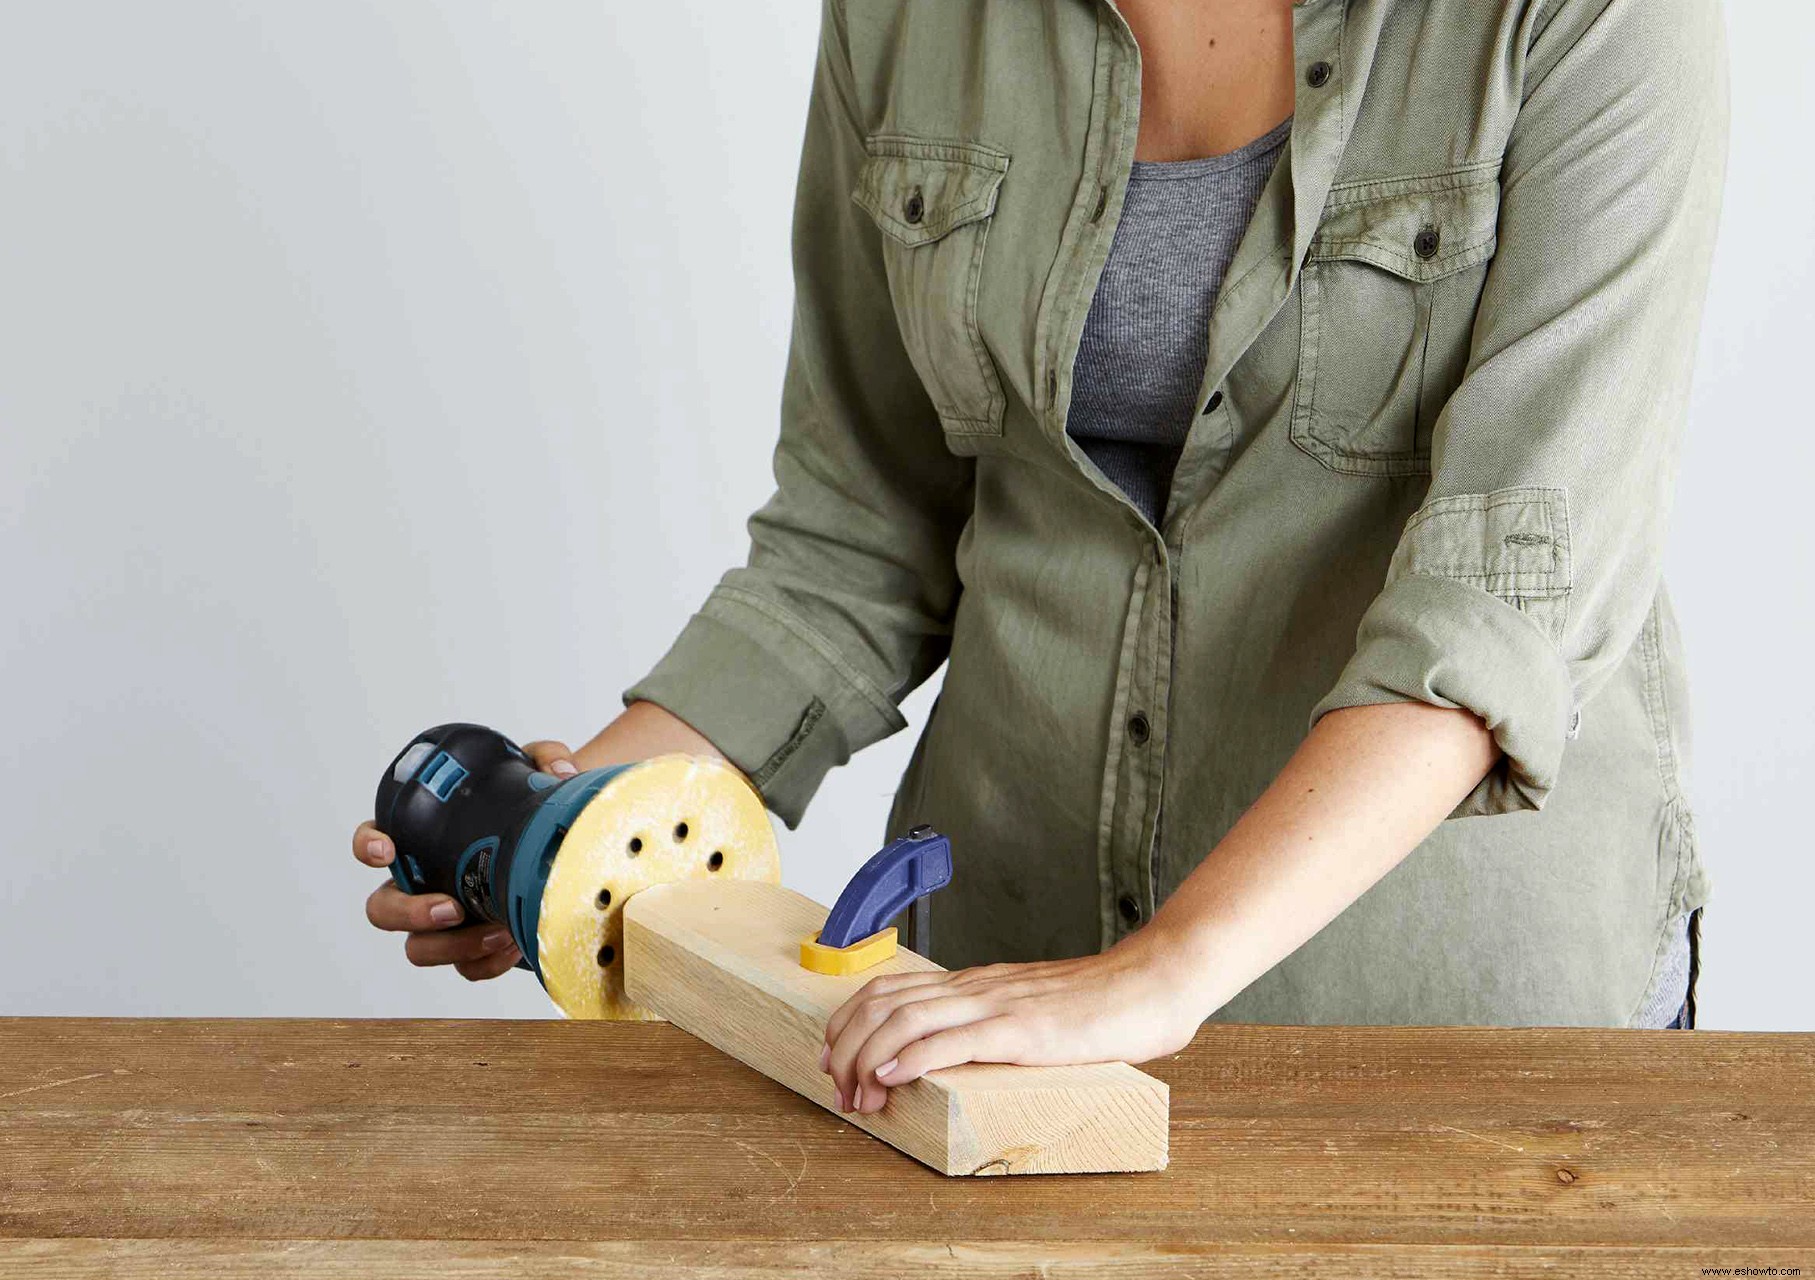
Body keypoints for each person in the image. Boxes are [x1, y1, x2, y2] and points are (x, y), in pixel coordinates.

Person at [353, 0, 1728, 1118]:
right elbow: (861, 526)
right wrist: (578, 825)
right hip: (992, 1019)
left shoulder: (1591, 17)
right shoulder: (909, 18)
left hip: (1447, 1037)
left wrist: (1159, 971)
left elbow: (1505, 603)